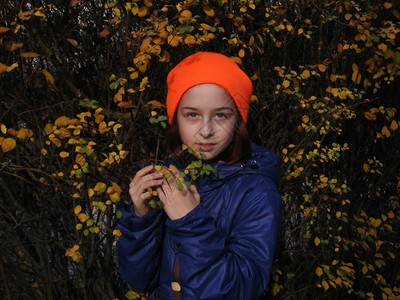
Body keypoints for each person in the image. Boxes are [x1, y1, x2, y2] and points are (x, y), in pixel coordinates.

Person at [117, 52, 282, 299]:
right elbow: (140, 280)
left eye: (221, 115)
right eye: (192, 114)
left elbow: (239, 291)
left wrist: (191, 222)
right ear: (176, 119)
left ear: (239, 120)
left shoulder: (257, 191)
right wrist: (142, 219)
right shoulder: (176, 174)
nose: (206, 131)